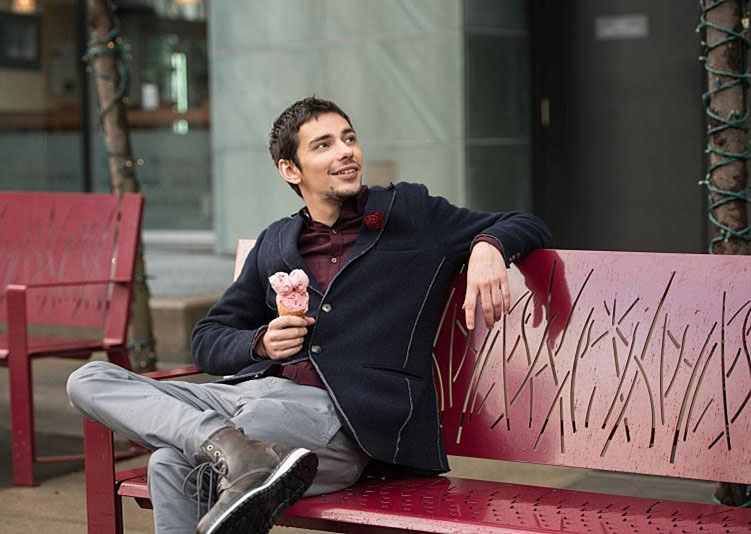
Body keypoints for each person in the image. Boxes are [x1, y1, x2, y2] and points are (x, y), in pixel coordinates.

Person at [66, 96, 553, 534]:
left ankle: (232, 450)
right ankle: (230, 447)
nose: (346, 152)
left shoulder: (410, 213)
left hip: (340, 418)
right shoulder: (276, 241)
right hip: (246, 398)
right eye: (324, 145)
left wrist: (489, 245)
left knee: (171, 463)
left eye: (349, 139)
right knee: (88, 379)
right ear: (290, 169)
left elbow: (525, 222)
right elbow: (208, 338)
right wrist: (259, 342)